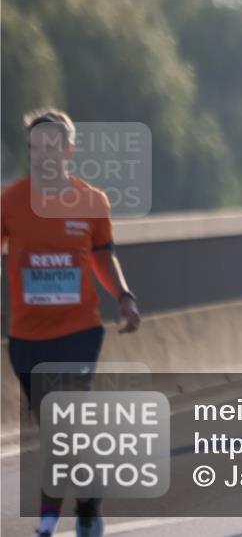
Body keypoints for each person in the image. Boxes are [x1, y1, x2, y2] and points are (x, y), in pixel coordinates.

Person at [3, 109, 142, 537]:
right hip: (26, 337)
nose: (44, 154)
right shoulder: (10, 201)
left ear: (68, 149)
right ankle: (88, 501)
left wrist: (123, 296)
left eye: (52, 146)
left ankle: (49, 517)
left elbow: (102, 255)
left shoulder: (93, 201)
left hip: (80, 331)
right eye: (36, 146)